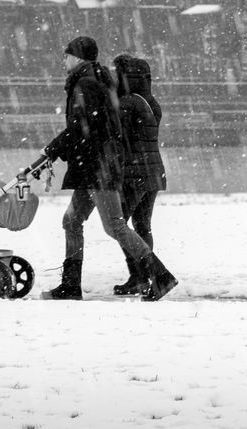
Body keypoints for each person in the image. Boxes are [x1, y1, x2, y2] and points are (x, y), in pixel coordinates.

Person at [40, 36, 178, 302]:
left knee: (115, 225)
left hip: (98, 166)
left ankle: (159, 276)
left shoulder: (86, 84)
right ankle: (71, 285)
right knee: (72, 220)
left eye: (67, 55)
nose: (63, 60)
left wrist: (53, 150)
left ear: (78, 58)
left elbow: (84, 128)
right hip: (91, 165)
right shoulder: (93, 80)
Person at [110, 54, 166, 296]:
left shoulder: (128, 103)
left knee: (118, 224)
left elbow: (116, 136)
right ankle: (143, 277)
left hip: (135, 173)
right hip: (153, 171)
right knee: (142, 224)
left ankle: (142, 275)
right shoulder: (151, 101)